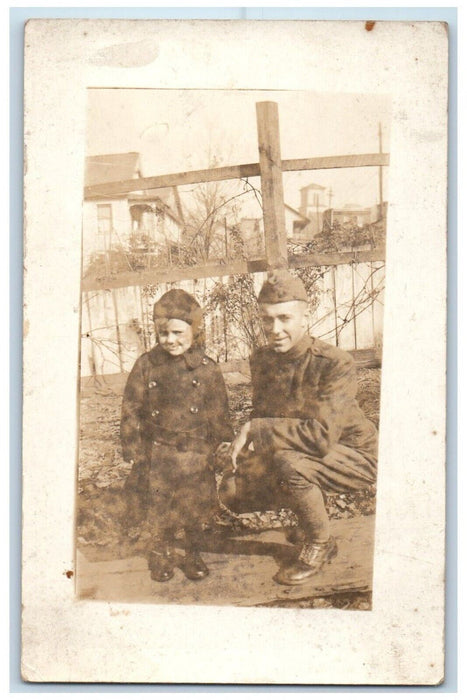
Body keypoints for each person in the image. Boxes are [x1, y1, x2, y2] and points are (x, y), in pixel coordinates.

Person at [222, 270, 378, 586]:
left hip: (353, 454)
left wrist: (254, 429)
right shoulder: (263, 358)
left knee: (289, 465)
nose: (275, 330)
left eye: (285, 318)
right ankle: (307, 520)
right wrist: (239, 448)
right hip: (302, 452)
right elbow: (264, 412)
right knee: (232, 489)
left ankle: (321, 542)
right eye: (267, 320)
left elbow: (320, 437)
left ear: (306, 317)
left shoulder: (334, 362)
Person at [120, 289, 234, 583]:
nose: (170, 340)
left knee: (194, 508)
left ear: (195, 331)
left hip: (195, 452)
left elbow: (219, 413)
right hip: (157, 451)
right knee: (158, 508)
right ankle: (160, 553)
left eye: (177, 332)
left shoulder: (207, 370)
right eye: (163, 333)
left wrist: (223, 446)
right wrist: (133, 446)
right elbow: (131, 407)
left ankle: (193, 552)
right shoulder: (146, 365)